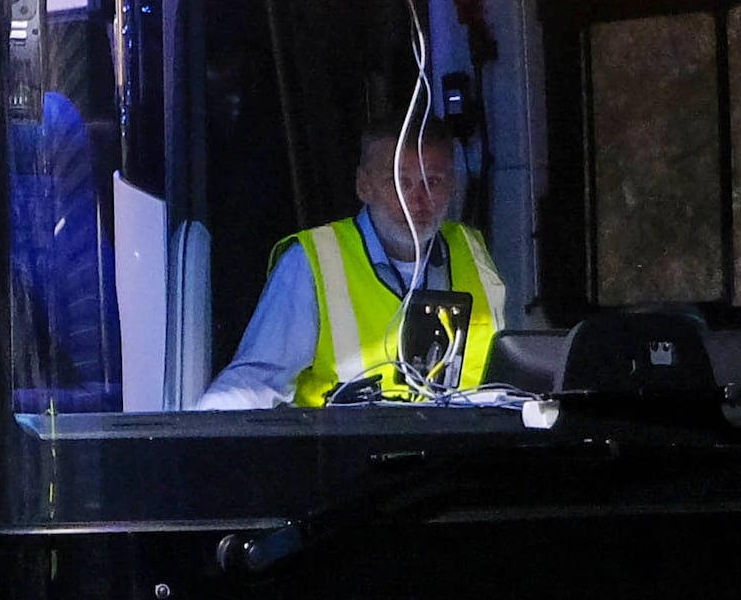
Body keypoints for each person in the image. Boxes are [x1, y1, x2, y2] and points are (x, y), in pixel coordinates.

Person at [199, 125, 509, 408]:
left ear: (453, 186)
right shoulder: (314, 260)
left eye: (433, 181)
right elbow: (254, 382)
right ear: (363, 186)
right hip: (345, 450)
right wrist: (199, 437)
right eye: (399, 182)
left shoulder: (471, 250)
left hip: (459, 448)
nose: (417, 200)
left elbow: (509, 374)